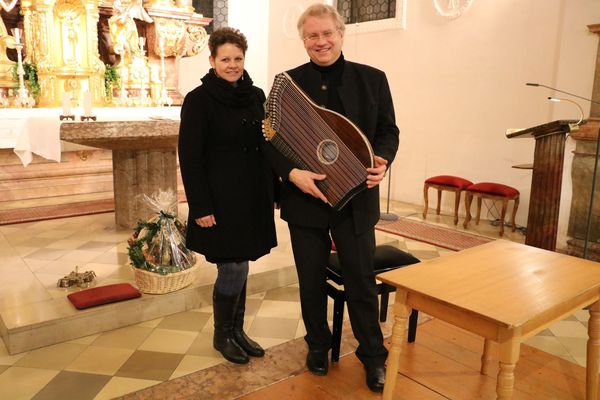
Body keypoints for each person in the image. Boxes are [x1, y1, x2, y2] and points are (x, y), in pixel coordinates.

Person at [261, 3, 399, 393]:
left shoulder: (372, 79)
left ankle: (373, 355)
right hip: (306, 198)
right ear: (303, 40)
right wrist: (292, 174)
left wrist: (382, 160)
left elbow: (389, 131)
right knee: (310, 279)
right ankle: (318, 346)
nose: (320, 42)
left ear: (341, 34)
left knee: (360, 279)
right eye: (312, 36)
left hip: (357, 199)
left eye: (327, 34)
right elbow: (268, 138)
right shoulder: (288, 84)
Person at [178, 27, 277, 365]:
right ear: (212, 60)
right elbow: (190, 158)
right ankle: (223, 334)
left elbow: (267, 145)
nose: (233, 65)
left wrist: (274, 190)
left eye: (238, 58)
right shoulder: (199, 100)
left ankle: (237, 331)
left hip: (251, 195)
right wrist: (200, 206)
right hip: (219, 199)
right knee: (231, 267)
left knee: (242, 261)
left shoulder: (255, 95)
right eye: (225, 59)